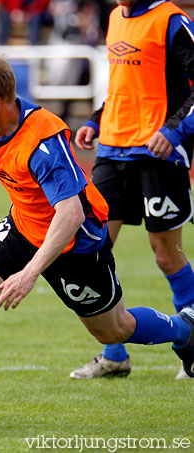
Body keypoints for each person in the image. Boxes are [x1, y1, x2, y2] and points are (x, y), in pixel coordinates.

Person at [0, 51, 194, 435]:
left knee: (114, 330)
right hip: (23, 226)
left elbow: (70, 215)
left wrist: (29, 273)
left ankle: (184, 331)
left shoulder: (42, 140)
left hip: (75, 242)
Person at [72, 0, 194, 380]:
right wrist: (97, 119)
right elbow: (123, 87)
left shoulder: (172, 21)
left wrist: (175, 130)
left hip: (158, 153)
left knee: (166, 255)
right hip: (112, 150)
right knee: (92, 248)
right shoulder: (114, 17)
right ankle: (114, 354)